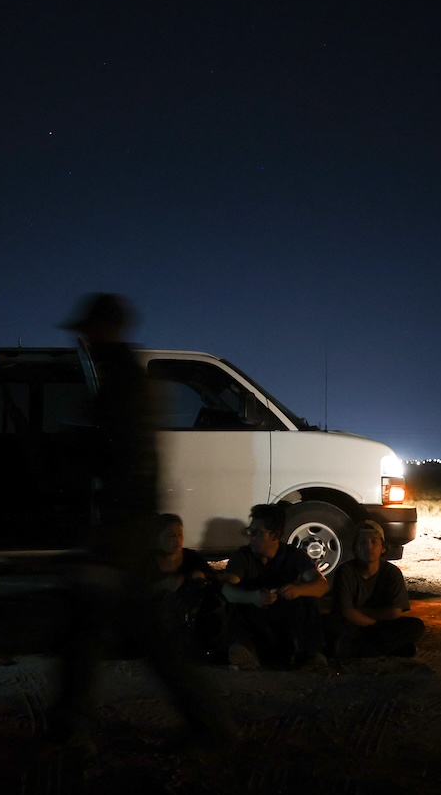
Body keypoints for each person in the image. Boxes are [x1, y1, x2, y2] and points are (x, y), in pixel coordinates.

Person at [46, 293, 237, 753]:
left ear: (106, 327)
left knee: (94, 632)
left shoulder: (121, 381)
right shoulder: (121, 374)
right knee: (142, 636)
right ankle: (209, 725)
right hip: (124, 529)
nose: (81, 337)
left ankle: (72, 730)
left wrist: (109, 541)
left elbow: (127, 464)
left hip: (119, 531)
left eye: (88, 328)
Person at [221, 502, 329, 670]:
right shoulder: (243, 556)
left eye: (258, 533)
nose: (253, 538)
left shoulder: (293, 555)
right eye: (251, 532)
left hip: (284, 617)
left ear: (275, 535)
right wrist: (253, 597)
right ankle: (245, 651)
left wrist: (299, 590)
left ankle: (310, 655)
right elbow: (226, 589)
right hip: (255, 614)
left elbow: (321, 585)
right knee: (236, 603)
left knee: (309, 600)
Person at [325, 520, 424, 659]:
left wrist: (361, 614)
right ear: (355, 548)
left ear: (383, 548)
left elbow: (394, 613)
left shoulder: (392, 572)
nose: (368, 547)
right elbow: (347, 612)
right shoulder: (346, 571)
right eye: (363, 542)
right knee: (328, 624)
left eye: (374, 541)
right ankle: (392, 649)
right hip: (354, 625)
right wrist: (374, 622)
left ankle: (356, 650)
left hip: (379, 625)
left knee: (415, 625)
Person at [150, 513, 227, 662]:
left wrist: (200, 576)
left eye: (179, 534)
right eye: (171, 536)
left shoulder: (190, 557)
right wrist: (162, 585)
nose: (177, 540)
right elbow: (135, 589)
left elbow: (216, 578)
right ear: (158, 538)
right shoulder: (149, 561)